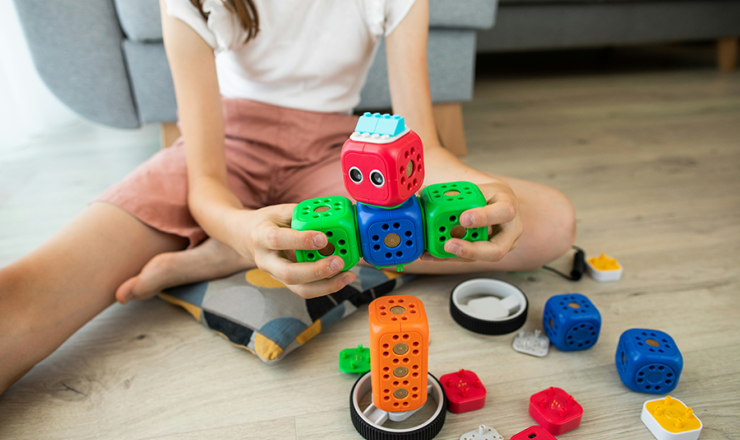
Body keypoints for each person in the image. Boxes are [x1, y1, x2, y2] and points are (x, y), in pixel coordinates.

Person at [0, 0, 575, 394]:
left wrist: (473, 189)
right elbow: (205, 184)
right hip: (226, 146)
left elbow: (419, 144)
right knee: (27, 294)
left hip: (337, 151)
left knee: (549, 221)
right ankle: (244, 241)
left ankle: (228, 251)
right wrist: (240, 227)